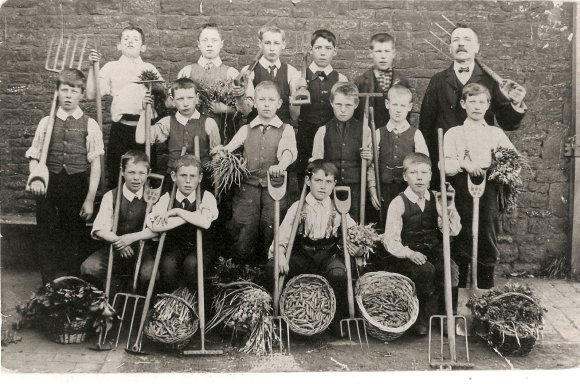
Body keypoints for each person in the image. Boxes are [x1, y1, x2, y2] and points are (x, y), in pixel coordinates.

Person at [419, 23, 527, 185]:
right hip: (446, 164)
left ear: (476, 48)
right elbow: (425, 126)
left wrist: (516, 102)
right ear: (450, 48)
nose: (461, 43)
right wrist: (428, 167)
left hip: (481, 167)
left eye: (467, 39)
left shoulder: (489, 80)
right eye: (456, 40)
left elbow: (508, 123)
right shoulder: (438, 80)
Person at [26, 68, 103, 284]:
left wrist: (89, 199)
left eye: (74, 91)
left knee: (73, 235)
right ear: (57, 93)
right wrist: (36, 176)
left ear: (81, 94)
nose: (69, 95)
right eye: (64, 90)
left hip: (76, 185)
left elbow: (95, 164)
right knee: (46, 234)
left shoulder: (90, 124)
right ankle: (47, 285)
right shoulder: (46, 122)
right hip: (48, 184)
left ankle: (70, 285)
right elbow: (34, 156)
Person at [265, 160, 358, 336]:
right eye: (318, 181)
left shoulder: (338, 207)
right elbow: (281, 237)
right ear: (308, 181)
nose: (323, 187)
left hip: (327, 255)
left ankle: (337, 318)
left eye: (328, 182)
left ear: (334, 184)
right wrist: (280, 255)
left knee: (339, 274)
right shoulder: (298, 207)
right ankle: (280, 313)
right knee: (273, 268)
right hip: (302, 255)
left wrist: (358, 246)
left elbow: (355, 233)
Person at [212, 80, 297, 265]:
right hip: (248, 186)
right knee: (244, 226)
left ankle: (269, 267)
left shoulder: (286, 129)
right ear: (254, 103)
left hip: (274, 186)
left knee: (272, 225)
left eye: (271, 100)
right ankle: (241, 268)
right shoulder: (246, 129)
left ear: (279, 104)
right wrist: (222, 152)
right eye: (262, 100)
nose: (266, 104)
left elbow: (288, 151)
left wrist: (281, 165)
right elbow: (230, 148)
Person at [444, 83, 516, 289]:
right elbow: (445, 165)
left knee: (486, 234)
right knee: (460, 233)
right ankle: (459, 292)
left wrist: (496, 168)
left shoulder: (495, 134)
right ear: (463, 104)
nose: (477, 106)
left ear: (488, 105)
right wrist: (465, 164)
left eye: (481, 102)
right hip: (461, 192)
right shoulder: (454, 134)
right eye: (472, 102)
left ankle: (484, 291)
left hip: (488, 193)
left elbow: (513, 161)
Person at [381, 153, 461, 336]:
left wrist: (447, 210)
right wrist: (408, 253)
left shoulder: (440, 198)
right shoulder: (398, 203)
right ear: (404, 176)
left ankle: (448, 316)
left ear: (431, 176)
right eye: (413, 172)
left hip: (434, 251)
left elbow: (453, 231)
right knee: (425, 271)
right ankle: (421, 318)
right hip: (409, 256)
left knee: (451, 269)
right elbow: (390, 240)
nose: (419, 177)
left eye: (424, 173)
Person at [87, 24, 164, 188]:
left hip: (145, 128)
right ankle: (115, 207)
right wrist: (92, 67)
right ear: (119, 45)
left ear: (143, 47)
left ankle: (146, 210)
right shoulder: (111, 68)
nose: (130, 41)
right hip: (121, 129)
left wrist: (156, 88)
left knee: (147, 170)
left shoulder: (149, 68)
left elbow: (163, 94)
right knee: (118, 171)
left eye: (136, 39)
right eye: (126, 38)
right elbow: (92, 94)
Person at [80, 150, 154, 290]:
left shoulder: (152, 197)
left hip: (143, 250)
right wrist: (119, 242)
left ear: (148, 173)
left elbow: (156, 229)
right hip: (114, 248)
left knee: (149, 274)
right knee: (89, 267)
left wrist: (131, 238)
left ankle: (142, 306)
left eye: (141, 173)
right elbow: (100, 228)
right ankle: (102, 301)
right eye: (131, 172)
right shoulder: (111, 196)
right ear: (122, 172)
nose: (136, 178)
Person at [143, 155, 218, 292]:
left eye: (192, 176)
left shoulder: (206, 197)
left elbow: (205, 223)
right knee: (167, 266)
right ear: (173, 176)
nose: (188, 181)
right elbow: (156, 225)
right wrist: (192, 216)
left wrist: (178, 211)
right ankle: (171, 303)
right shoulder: (166, 197)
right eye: (183, 175)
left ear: (200, 178)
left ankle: (196, 303)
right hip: (175, 247)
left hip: (200, 247)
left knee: (192, 264)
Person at [136, 77, 220, 193]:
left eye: (190, 98)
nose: (185, 103)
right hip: (174, 179)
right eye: (180, 99)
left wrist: (216, 187)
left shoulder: (209, 123)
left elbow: (216, 157)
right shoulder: (167, 122)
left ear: (197, 99)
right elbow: (141, 139)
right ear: (173, 100)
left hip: (202, 179)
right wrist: (144, 111)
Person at [177, 23, 253, 143]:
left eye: (214, 40)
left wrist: (226, 109)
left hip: (223, 132)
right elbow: (174, 103)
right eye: (205, 40)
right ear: (198, 44)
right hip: (193, 133)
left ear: (221, 43)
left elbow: (246, 110)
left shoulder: (231, 73)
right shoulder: (186, 72)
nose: (209, 44)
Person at [310, 82, 372, 222]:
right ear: (331, 103)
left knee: (354, 222)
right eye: (338, 104)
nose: (343, 110)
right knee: (331, 221)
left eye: (348, 105)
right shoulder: (323, 131)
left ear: (356, 105)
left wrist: (368, 158)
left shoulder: (365, 131)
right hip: (330, 187)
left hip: (356, 187)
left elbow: (369, 165)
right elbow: (317, 162)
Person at [295, 29, 348, 188]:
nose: (323, 53)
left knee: (329, 175)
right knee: (306, 177)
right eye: (318, 48)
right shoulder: (299, 77)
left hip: (331, 135)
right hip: (306, 135)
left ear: (335, 51)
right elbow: (294, 115)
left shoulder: (340, 79)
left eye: (328, 48)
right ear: (311, 50)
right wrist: (298, 94)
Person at [368, 83, 429, 215]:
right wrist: (373, 189)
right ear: (387, 104)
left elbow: (425, 166)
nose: (398, 110)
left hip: (408, 191)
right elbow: (372, 166)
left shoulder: (416, 134)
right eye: (395, 104)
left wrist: (421, 192)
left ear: (410, 107)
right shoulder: (378, 133)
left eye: (403, 105)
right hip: (383, 190)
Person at [241, 25, 303, 124]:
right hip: (256, 130)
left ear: (283, 44)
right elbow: (246, 111)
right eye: (267, 43)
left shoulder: (291, 72)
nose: (272, 48)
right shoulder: (249, 72)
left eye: (277, 43)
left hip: (282, 131)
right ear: (260, 44)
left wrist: (296, 92)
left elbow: (294, 116)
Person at [354, 32, 403, 128]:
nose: (383, 56)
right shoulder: (361, 82)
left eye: (387, 51)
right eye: (378, 51)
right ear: (371, 53)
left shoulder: (402, 81)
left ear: (393, 53)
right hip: (367, 136)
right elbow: (356, 114)